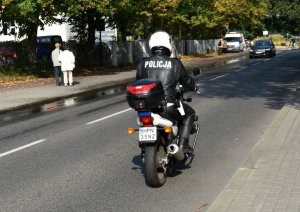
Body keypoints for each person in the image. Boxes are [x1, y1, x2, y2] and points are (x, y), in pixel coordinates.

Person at [136, 31, 197, 153]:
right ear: (168, 44)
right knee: (190, 113)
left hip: (146, 108)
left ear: (151, 44)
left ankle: (145, 145)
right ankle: (183, 145)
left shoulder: (143, 63)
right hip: (167, 107)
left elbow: (138, 82)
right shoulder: (174, 63)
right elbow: (186, 82)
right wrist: (193, 87)